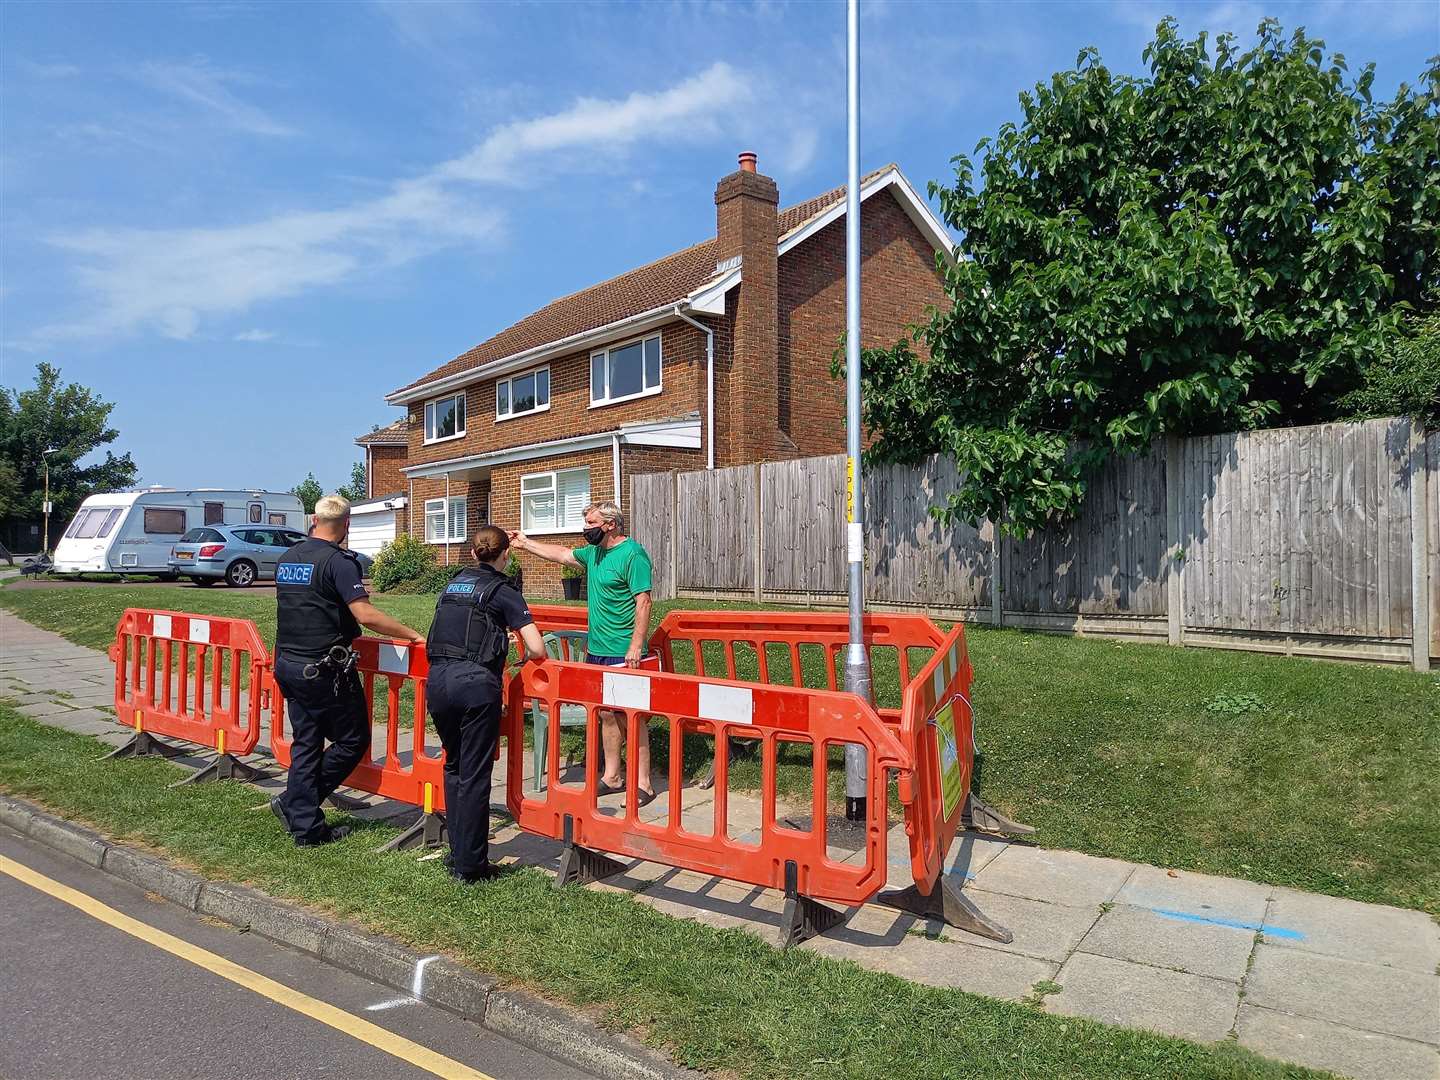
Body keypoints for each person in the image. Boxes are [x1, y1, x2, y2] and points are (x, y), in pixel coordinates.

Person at [271, 494, 424, 846]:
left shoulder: (288, 557)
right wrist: (413, 634)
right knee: (353, 739)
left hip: (290, 664)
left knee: (307, 741)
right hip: (324, 668)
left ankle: (303, 819)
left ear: (313, 519)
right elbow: (365, 615)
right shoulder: (339, 562)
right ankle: (299, 807)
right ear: (347, 525)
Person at [509, 501, 655, 804]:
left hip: (622, 649)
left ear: (610, 524)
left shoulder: (633, 555)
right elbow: (562, 554)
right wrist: (524, 543)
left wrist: (636, 646)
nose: (585, 529)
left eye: (591, 523)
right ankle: (612, 776)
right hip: (597, 649)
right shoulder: (595, 554)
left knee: (631, 716)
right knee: (605, 714)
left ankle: (644, 783)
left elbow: (644, 601)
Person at [426, 526, 545, 883]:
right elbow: (537, 648)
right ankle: (472, 865)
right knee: (475, 775)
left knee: (455, 767)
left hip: (439, 681)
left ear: (474, 553)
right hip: (475, 686)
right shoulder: (504, 591)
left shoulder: (453, 584)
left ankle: (458, 852)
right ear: (504, 555)